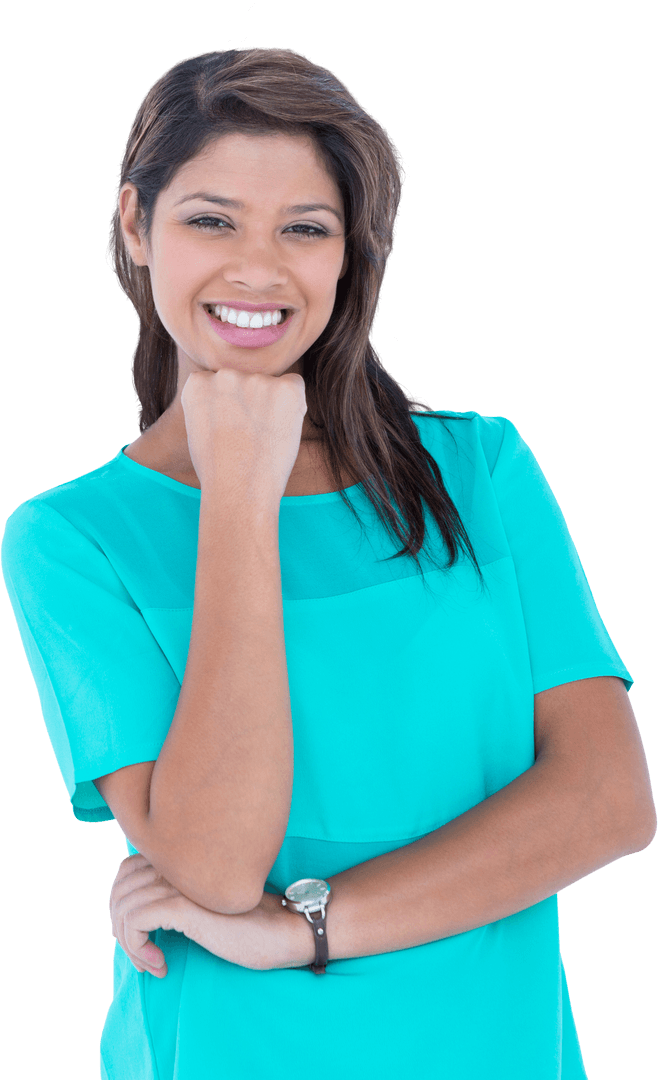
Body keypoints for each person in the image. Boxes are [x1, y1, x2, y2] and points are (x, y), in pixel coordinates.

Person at [1, 46, 655, 1080]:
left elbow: (609, 800)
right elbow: (216, 869)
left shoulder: (478, 469)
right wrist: (240, 499)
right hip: (227, 1048)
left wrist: (303, 928)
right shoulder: (69, 540)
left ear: (348, 254)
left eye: (304, 229)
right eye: (210, 219)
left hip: (493, 1049)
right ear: (136, 224)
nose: (257, 269)